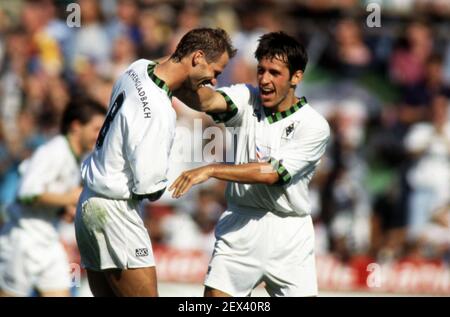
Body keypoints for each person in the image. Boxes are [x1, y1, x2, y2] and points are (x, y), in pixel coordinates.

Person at [75, 28, 236, 297]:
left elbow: (166, 63)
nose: (215, 81)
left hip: (89, 202)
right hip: (116, 213)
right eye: (216, 72)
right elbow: (149, 187)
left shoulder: (136, 68)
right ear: (197, 57)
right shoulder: (160, 111)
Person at [170, 31, 330, 297]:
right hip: (241, 223)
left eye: (275, 73)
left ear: (297, 77)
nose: (265, 80)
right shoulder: (246, 97)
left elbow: (270, 173)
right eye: (261, 70)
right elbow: (207, 100)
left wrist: (212, 169)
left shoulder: (314, 125)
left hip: (289, 234)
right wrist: (174, 71)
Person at [0, 99, 106, 297]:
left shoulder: (76, 158)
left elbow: (47, 195)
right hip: (22, 239)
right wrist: (69, 198)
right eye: (96, 128)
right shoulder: (53, 151)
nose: (99, 135)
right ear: (76, 126)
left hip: (48, 239)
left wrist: (62, 210)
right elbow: (26, 193)